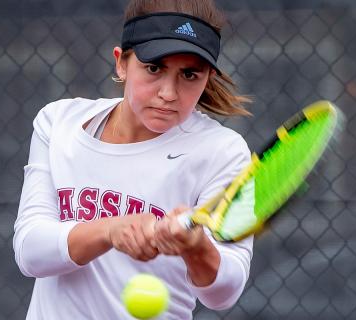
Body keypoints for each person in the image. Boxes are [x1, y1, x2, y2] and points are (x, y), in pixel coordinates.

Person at [13, 0, 254, 318]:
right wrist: (110, 230)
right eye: (154, 68)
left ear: (207, 77)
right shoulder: (58, 122)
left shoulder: (222, 151)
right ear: (122, 63)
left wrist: (196, 248)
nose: (168, 92)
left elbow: (224, 293)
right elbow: (31, 252)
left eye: (189, 75)